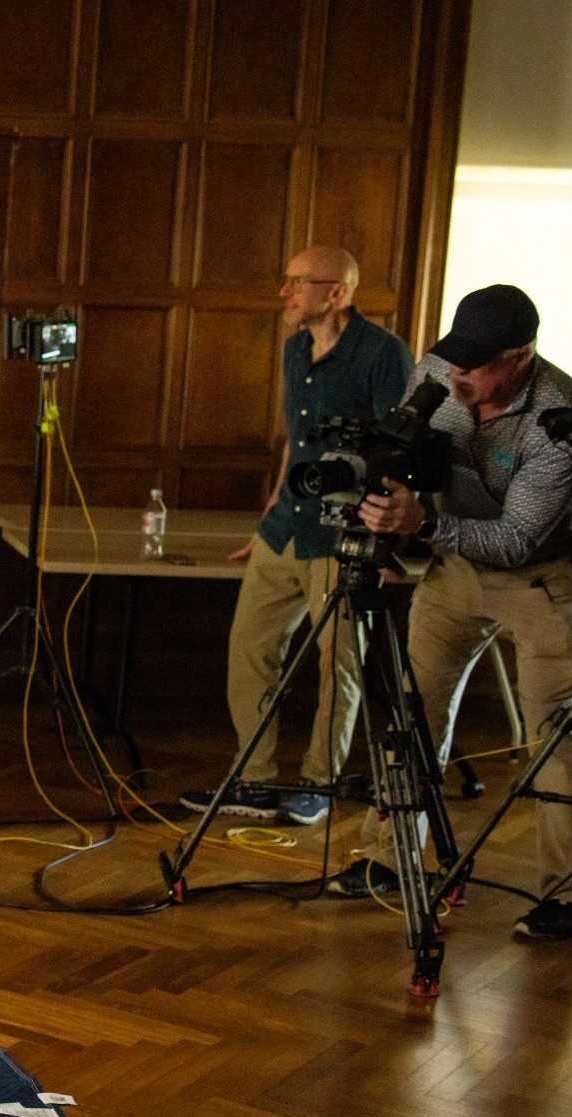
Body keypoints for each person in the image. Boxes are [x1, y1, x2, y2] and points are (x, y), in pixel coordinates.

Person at [346, 284, 572, 940]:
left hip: (543, 578)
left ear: (520, 358)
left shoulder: (563, 416)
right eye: (454, 357)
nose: (457, 374)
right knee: (415, 714)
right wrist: (386, 532)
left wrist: (425, 523)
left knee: (560, 736)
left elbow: (519, 539)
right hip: (452, 564)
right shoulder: (441, 369)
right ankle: (391, 859)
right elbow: (402, 454)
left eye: (478, 363)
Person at [180, 246, 413, 826]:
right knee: (250, 649)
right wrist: (268, 518)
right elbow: (296, 439)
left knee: (338, 665)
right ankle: (254, 779)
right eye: (284, 281)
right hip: (285, 528)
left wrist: (380, 538)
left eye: (296, 283)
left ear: (336, 292)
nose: (284, 293)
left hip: (344, 534)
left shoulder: (383, 355)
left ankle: (321, 785)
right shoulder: (294, 349)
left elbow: (397, 451)